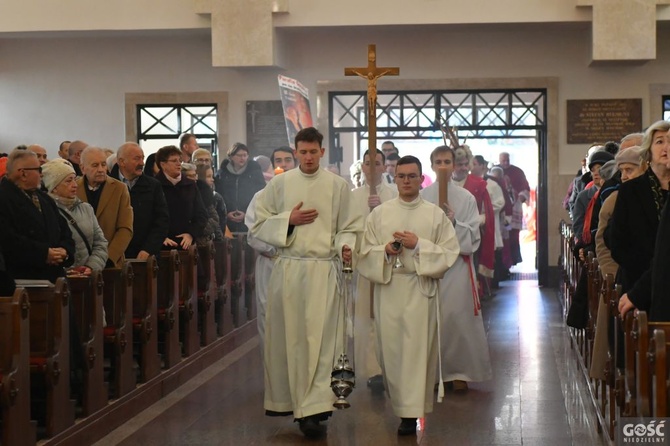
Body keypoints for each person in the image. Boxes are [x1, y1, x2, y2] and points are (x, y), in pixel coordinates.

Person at [250, 127, 361, 438]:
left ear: (322, 152)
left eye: (314, 152)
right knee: (293, 338)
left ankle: (317, 407)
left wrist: (346, 246)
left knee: (322, 340)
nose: (309, 157)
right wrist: (288, 221)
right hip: (289, 271)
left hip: (324, 270)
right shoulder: (280, 184)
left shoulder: (338, 186)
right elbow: (258, 223)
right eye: (303, 152)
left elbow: (349, 226)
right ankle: (296, 404)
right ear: (296, 152)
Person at [358, 155, 459, 436]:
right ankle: (401, 405)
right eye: (401, 176)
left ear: (420, 178)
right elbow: (365, 252)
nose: (405, 181)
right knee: (390, 352)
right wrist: (385, 251)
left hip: (419, 289)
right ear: (395, 176)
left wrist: (419, 245)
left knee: (417, 352)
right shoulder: (380, 214)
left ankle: (410, 413)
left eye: (411, 176)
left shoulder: (434, 214)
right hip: (389, 288)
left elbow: (449, 253)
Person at [422, 146, 492, 392]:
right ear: (431, 165)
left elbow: (473, 236)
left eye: (447, 162)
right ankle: (432, 373)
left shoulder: (466, 198)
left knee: (457, 319)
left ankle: (459, 372)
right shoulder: (422, 196)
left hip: (458, 268)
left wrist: (453, 222)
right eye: (438, 162)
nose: (442, 166)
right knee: (431, 321)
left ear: (454, 165)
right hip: (429, 267)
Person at [350, 148, 397, 392]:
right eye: (367, 163)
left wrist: (381, 208)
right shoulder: (354, 196)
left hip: (389, 265)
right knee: (366, 319)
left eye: (376, 163)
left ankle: (390, 366)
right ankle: (372, 370)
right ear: (363, 167)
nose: (371, 168)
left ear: (383, 166)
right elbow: (348, 228)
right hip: (365, 264)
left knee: (387, 318)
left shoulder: (393, 194)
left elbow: (398, 225)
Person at [245, 146, 296, 359]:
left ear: (295, 163)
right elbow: (253, 233)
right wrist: (274, 248)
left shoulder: (304, 194)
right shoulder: (261, 197)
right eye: (279, 160)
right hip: (271, 263)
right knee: (269, 317)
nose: (283, 165)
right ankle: (272, 369)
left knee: (296, 318)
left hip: (297, 263)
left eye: (287, 160)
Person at [0, 149, 75, 282]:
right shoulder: (4, 198)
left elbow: (64, 230)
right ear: (23, 174)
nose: (41, 174)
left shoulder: (44, 198)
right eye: (38, 169)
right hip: (23, 281)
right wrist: (43, 254)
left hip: (55, 279)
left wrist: (65, 250)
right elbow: (8, 240)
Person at [43, 159, 108, 274]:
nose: (74, 185)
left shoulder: (86, 208)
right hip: (60, 279)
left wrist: (91, 267)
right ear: (54, 187)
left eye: (74, 179)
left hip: (87, 277)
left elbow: (100, 243)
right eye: (68, 181)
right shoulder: (45, 211)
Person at [76, 146, 133, 268]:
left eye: (103, 164)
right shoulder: (74, 188)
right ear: (82, 168)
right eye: (95, 165)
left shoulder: (119, 189)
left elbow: (125, 228)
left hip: (110, 262)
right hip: (79, 263)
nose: (101, 169)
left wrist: (106, 258)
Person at [111, 142, 169, 259]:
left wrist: (148, 249)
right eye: (137, 159)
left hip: (145, 254)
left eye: (142, 158)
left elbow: (162, 220)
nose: (142, 163)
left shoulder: (153, 186)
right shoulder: (108, 184)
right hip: (113, 254)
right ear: (122, 162)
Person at [155, 145, 208, 250]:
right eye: (174, 161)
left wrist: (191, 234)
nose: (179, 163)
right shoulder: (154, 185)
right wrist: (160, 237)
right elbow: (149, 217)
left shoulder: (190, 185)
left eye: (179, 160)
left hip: (187, 244)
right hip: (161, 244)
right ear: (163, 164)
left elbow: (201, 215)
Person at [215, 142, 266, 233]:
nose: (242, 158)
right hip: (227, 218)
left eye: (245, 155)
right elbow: (219, 195)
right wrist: (227, 212)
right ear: (231, 156)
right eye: (239, 155)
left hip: (250, 218)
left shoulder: (254, 172)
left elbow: (261, 194)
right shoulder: (222, 173)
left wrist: (247, 213)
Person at [498, 151, 530, 265]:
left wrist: (520, 198)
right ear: (499, 160)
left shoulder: (517, 171)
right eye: (503, 160)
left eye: (507, 160)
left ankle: (513, 260)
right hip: (500, 211)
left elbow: (525, 188)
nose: (505, 162)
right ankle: (503, 265)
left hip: (514, 208)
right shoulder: (495, 171)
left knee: (513, 237)